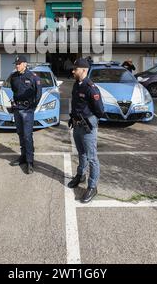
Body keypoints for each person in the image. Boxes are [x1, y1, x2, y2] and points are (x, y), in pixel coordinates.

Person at [68, 58, 105, 204]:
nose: (73, 71)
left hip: (87, 128)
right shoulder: (76, 85)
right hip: (77, 126)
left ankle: (92, 186)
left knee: (92, 158)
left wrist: (89, 121)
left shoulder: (91, 88)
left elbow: (100, 111)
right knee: (81, 153)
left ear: (83, 70)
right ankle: (80, 175)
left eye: (75, 69)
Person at [10, 56, 42, 175]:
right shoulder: (14, 77)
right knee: (20, 134)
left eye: (19, 64)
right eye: (16, 64)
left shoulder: (33, 77)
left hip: (28, 110)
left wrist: (32, 107)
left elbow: (38, 94)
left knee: (28, 136)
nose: (17, 66)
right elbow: (14, 91)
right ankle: (23, 156)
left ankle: (30, 161)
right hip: (17, 109)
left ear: (25, 64)